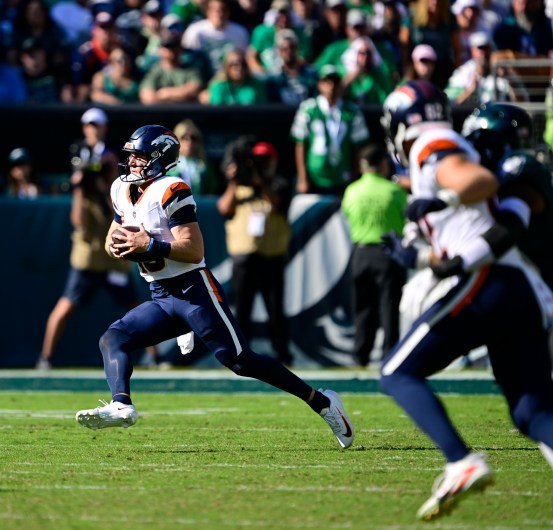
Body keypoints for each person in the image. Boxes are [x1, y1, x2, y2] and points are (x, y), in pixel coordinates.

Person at [378, 80, 553, 526]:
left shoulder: (444, 148)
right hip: (534, 294)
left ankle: (461, 461)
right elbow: (467, 235)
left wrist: (443, 200)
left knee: (396, 372)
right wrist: (418, 253)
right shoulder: (489, 167)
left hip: (543, 288)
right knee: (539, 414)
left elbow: (494, 212)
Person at [73, 124, 355, 453]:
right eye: (131, 157)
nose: (132, 163)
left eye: (139, 157)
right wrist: (117, 248)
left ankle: (323, 403)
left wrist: (148, 244)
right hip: (161, 296)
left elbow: (192, 250)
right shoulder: (120, 188)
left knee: (240, 361)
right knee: (113, 338)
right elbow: (113, 235)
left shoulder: (171, 189)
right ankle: (121, 405)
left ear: (158, 158)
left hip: (194, 290)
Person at [37, 108, 160, 370]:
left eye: (97, 125)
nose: (92, 129)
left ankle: (154, 356)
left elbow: (119, 207)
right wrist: (82, 185)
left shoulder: (113, 160)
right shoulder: (78, 154)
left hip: (114, 251)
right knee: (66, 304)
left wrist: (105, 181)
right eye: (88, 125)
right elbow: (78, 221)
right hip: (90, 253)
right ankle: (45, 357)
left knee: (136, 305)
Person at [216, 136, 294, 366]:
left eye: (264, 160)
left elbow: (277, 201)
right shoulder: (239, 185)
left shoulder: (279, 184)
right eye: (257, 160)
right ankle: (240, 353)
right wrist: (233, 180)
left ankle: (282, 353)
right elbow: (223, 208)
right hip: (244, 258)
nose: (260, 164)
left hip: (272, 257)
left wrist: (261, 179)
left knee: (275, 311)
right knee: (242, 310)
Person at [341, 143, 407, 367]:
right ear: (383, 164)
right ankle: (390, 356)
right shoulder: (394, 190)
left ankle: (360, 357)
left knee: (362, 309)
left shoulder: (352, 190)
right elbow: (404, 218)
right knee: (389, 307)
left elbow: (348, 215)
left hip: (360, 252)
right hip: (388, 253)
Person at [290, 64, 370, 194]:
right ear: (319, 84)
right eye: (326, 81)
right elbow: (300, 143)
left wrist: (356, 176)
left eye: (335, 81)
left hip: (342, 176)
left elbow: (358, 147)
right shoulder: (308, 109)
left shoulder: (352, 111)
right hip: (315, 177)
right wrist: (302, 178)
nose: (331, 85)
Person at [444, 30, 526, 105]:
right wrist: (469, 91)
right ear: (472, 51)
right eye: (480, 48)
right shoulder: (462, 74)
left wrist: (511, 82)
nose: (483, 53)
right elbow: (449, 104)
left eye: (487, 48)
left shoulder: (504, 71)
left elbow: (524, 102)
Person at [139, 31, 203, 104]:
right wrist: (181, 94)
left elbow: (194, 89)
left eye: (174, 46)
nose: (171, 50)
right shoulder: (154, 72)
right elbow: (148, 98)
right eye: (167, 46)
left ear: (180, 48)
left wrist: (165, 93)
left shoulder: (190, 70)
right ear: (160, 50)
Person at [170, 119, 220, 195]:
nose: (189, 142)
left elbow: (212, 191)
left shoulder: (205, 166)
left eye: (193, 138)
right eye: (184, 138)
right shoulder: (168, 166)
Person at [201, 47, 267, 104]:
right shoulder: (218, 86)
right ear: (226, 67)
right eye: (234, 64)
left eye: (243, 63)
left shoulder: (256, 86)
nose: (239, 68)